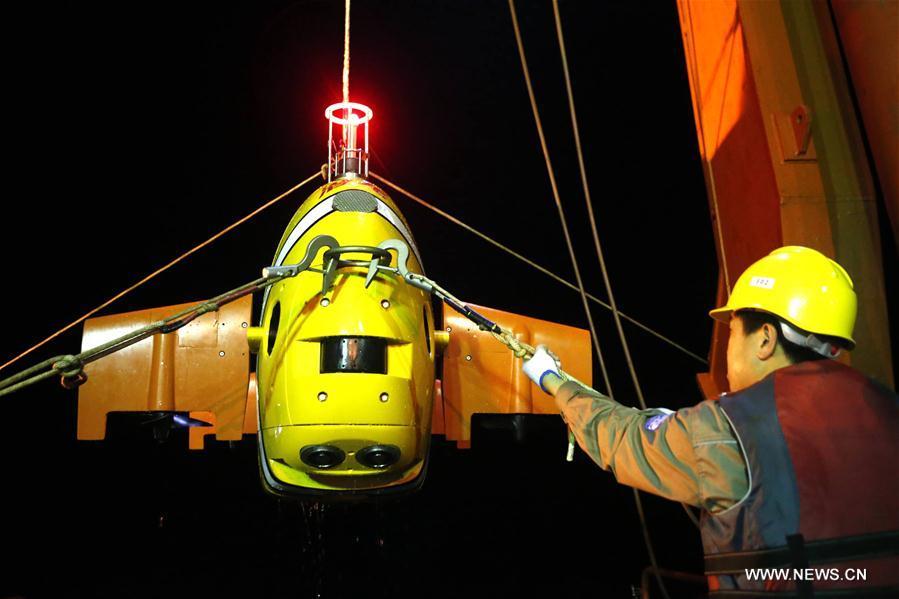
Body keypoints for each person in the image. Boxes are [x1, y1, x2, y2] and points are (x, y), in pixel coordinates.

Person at [523, 246, 898, 597]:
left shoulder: (730, 427)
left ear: (765, 339)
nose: (728, 346)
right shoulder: (886, 405)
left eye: (732, 332)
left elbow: (624, 439)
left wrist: (553, 381)